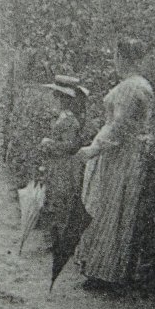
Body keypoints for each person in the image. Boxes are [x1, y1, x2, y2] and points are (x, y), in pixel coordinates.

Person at [74, 38, 154, 287]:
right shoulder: (141, 84)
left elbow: (118, 125)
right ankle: (106, 269)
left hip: (119, 156)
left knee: (109, 209)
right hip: (125, 153)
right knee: (115, 209)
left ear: (121, 57)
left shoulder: (131, 87)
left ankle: (104, 273)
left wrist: (93, 149)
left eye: (116, 56)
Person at [38, 75, 89, 248]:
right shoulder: (63, 117)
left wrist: (49, 144)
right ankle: (55, 240)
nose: (54, 98)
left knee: (61, 201)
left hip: (64, 167)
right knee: (55, 199)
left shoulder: (69, 120)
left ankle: (60, 242)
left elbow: (69, 146)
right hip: (57, 165)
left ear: (64, 98)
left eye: (57, 95)